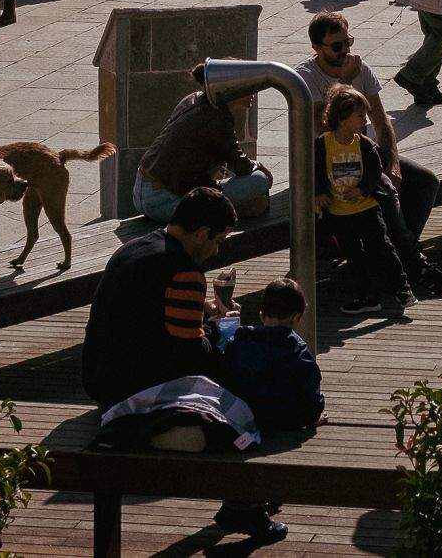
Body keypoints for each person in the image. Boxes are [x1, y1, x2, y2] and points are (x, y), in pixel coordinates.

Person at [81, 188, 287, 543]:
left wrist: (199, 312)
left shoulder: (136, 247)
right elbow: (191, 353)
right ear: (203, 233)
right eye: (218, 240)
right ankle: (243, 503)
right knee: (239, 398)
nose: (217, 250)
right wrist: (219, 329)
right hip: (133, 386)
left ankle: (246, 498)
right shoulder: (184, 271)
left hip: (101, 374)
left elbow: (154, 315)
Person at [294, 10, 442, 297]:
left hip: (362, 154)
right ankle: (409, 263)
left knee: (424, 180)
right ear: (317, 48)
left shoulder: (360, 68)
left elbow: (380, 120)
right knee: (383, 189)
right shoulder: (304, 77)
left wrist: (392, 160)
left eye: (348, 41)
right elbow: (324, 130)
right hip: (326, 162)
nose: (346, 50)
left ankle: (393, 258)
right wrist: (345, 79)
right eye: (337, 46)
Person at [315, 84, 415, 314]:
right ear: (342, 117)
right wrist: (319, 192)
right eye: (360, 115)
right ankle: (366, 296)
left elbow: (374, 172)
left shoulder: (364, 144)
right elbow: (316, 171)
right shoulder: (323, 144)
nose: (364, 120)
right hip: (339, 213)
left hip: (367, 208)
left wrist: (362, 189)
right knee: (353, 256)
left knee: (382, 247)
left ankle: (402, 288)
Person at [136, 67, 276, 223]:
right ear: (232, 90)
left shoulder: (193, 99)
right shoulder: (217, 118)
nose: (253, 94)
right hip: (164, 201)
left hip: (144, 191)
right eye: (250, 88)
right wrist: (259, 165)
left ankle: (225, 210)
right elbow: (242, 166)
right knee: (259, 180)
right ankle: (225, 212)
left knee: (238, 182)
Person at [220, 276, 324, 431]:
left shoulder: (240, 341)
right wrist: (315, 415)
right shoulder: (298, 352)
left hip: (244, 415)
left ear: (261, 315)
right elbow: (311, 397)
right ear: (297, 317)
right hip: (284, 420)